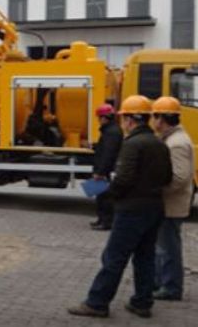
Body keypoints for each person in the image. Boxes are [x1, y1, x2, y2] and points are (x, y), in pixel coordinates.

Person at [68, 95, 172, 319]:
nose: (122, 122)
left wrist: (108, 193)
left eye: (123, 118)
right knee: (145, 258)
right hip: (154, 208)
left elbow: (123, 179)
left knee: (114, 257)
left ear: (129, 120)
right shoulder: (159, 143)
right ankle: (142, 303)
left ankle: (97, 303)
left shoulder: (133, 144)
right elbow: (167, 177)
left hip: (132, 211)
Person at [152, 96, 194, 301]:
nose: (153, 122)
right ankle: (163, 283)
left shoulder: (176, 144)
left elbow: (179, 178)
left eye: (154, 117)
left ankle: (171, 287)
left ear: (162, 119)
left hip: (171, 205)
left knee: (168, 248)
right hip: (170, 205)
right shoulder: (173, 139)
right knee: (165, 247)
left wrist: (156, 192)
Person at [90, 103, 123, 231]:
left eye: (99, 118)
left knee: (106, 198)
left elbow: (108, 154)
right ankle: (101, 220)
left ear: (104, 118)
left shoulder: (112, 132)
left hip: (106, 171)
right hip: (105, 170)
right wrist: (95, 146)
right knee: (100, 196)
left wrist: (101, 172)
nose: (99, 120)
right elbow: (105, 148)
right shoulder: (111, 130)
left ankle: (106, 222)